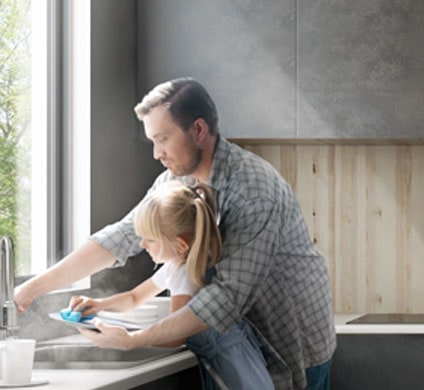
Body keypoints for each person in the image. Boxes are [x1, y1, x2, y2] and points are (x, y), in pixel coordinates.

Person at [15, 78, 336, 389]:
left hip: (290, 335)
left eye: (163, 138)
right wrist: (31, 290)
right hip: (232, 339)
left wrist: (133, 340)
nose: (156, 153)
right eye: (153, 141)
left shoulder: (253, 189)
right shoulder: (174, 181)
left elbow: (226, 297)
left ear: (198, 130)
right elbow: (123, 236)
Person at [68, 180, 274, 389]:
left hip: (232, 366)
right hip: (234, 359)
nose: (142, 245)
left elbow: (175, 336)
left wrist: (130, 339)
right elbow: (134, 297)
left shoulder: (185, 275)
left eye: (149, 239)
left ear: (180, 244)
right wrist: (99, 304)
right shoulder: (177, 265)